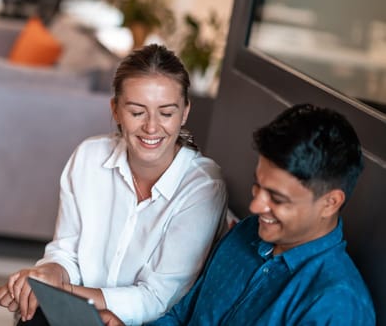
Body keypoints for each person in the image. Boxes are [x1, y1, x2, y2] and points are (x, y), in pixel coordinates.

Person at [0, 44, 228, 325]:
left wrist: (57, 292)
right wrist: (46, 276)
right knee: (35, 313)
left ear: (185, 112)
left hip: (147, 321)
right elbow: (65, 253)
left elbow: (158, 299)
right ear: (115, 109)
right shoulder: (89, 158)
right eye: (137, 112)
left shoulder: (202, 187)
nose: (152, 127)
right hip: (79, 311)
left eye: (166, 113)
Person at [101, 103, 376, 325]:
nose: (256, 207)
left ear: (330, 203)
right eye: (257, 185)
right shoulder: (246, 233)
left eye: (277, 199)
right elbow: (182, 317)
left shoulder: (337, 305)